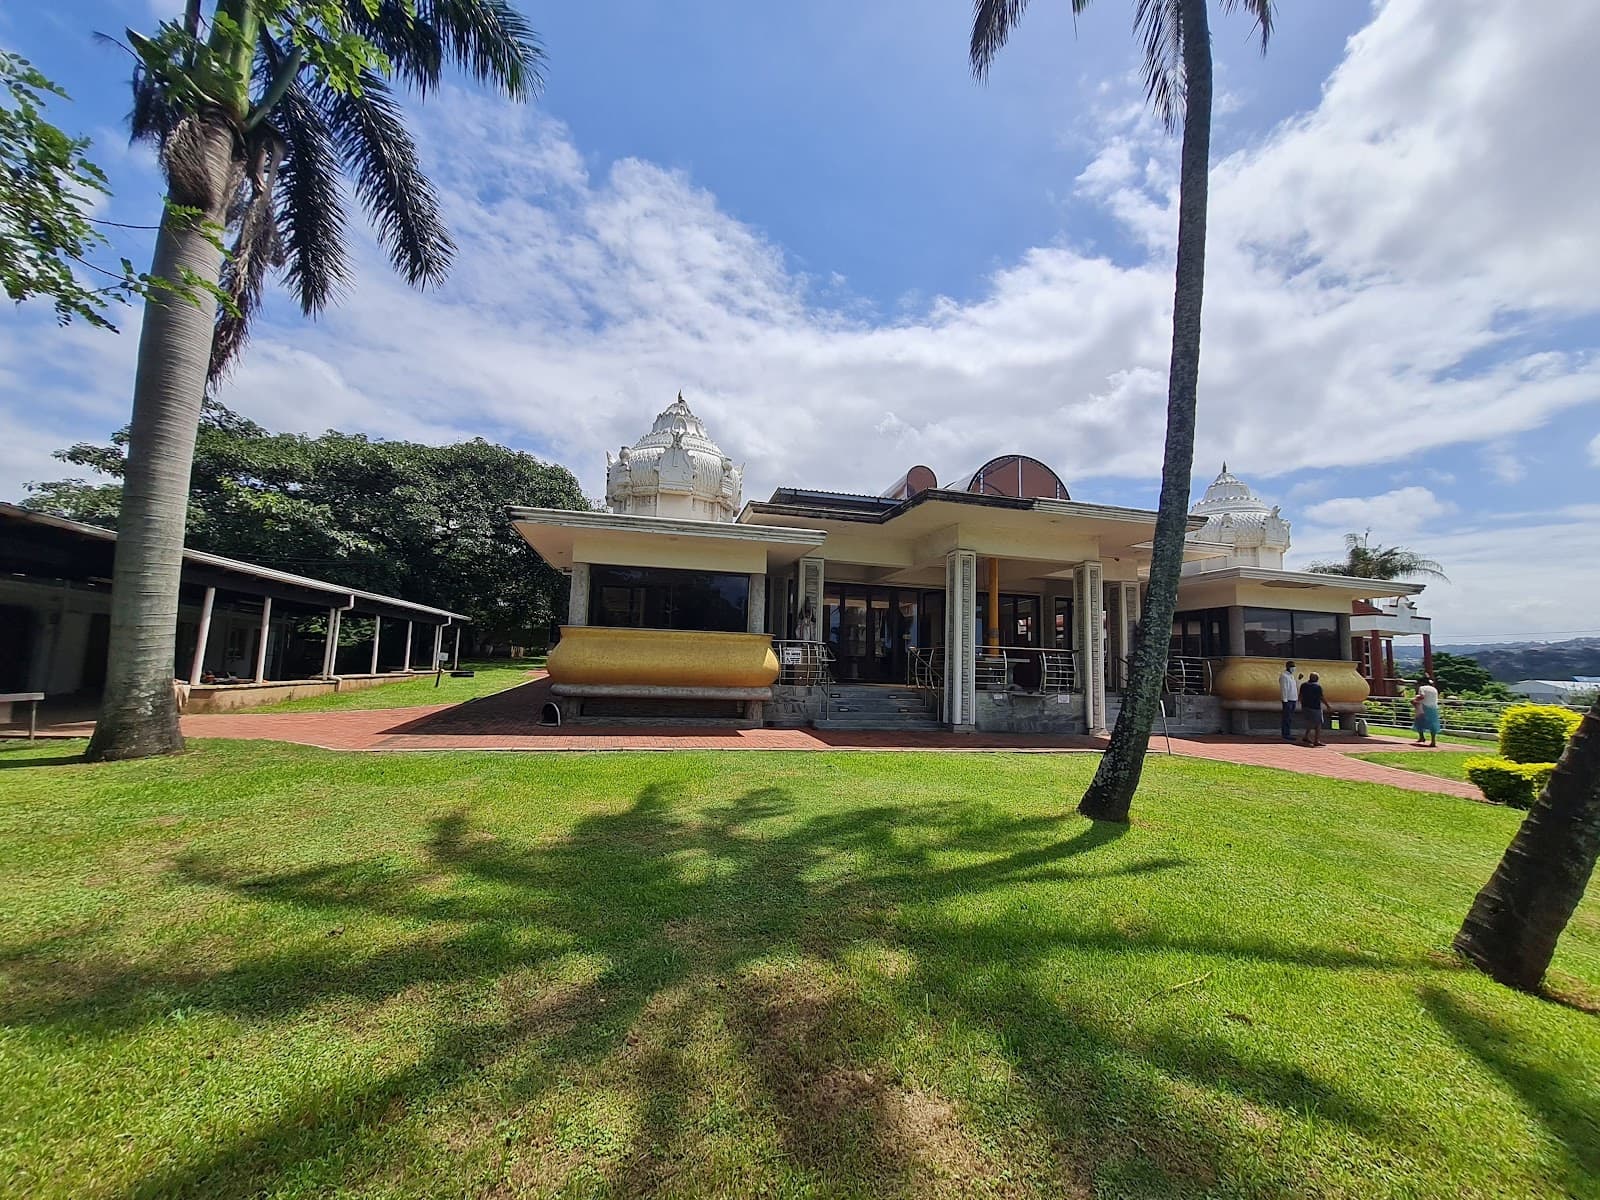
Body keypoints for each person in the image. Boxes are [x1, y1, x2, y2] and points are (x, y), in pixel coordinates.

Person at [1413, 674, 1442, 747]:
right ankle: (1433, 741)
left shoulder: (1422, 688)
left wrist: (1415, 699)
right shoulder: (1434, 689)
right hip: (1434, 707)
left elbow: (1422, 696)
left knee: (1419, 721)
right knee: (1433, 724)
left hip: (1424, 707)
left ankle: (1422, 737)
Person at [1299, 672, 1325, 746]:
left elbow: (1300, 696)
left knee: (1310, 722)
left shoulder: (1303, 685)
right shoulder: (1317, 687)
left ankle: (1306, 736)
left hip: (1305, 707)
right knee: (1318, 724)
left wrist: (1301, 704)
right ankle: (1316, 740)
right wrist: (1328, 705)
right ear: (1317, 679)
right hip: (1315, 707)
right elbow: (1321, 697)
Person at [1279, 660, 1300, 741]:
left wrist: (1298, 679)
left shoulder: (1291, 676)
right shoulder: (1284, 676)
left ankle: (1288, 733)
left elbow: (1294, 687)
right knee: (1286, 718)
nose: (1293, 668)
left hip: (1293, 699)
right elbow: (1284, 689)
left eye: (1294, 666)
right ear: (1287, 667)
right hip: (1288, 701)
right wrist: (1285, 700)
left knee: (1290, 718)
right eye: (1291, 666)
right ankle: (1286, 734)